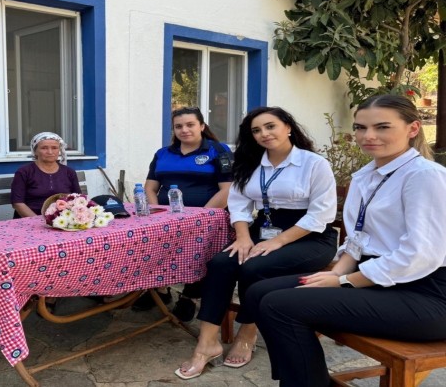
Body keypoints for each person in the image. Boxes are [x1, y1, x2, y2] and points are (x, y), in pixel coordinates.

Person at [247, 95, 446, 387]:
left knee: (280, 306)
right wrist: (336, 272)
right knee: (258, 292)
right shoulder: (367, 175)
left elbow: (420, 255)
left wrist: (345, 281)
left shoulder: (425, 176)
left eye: (382, 127)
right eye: (361, 128)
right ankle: (302, 378)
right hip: (376, 280)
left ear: (413, 129)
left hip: (425, 295)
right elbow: (358, 238)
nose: (369, 136)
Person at [175, 106, 337, 380]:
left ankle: (247, 331)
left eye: (270, 126)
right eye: (257, 130)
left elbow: (322, 214)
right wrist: (243, 236)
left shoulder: (313, 163)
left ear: (288, 127)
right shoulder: (250, 162)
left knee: (253, 267)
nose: (264, 134)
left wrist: (279, 242)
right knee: (221, 263)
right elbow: (238, 204)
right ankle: (207, 343)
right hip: (261, 230)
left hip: (310, 236)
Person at [136, 106, 233, 320]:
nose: (184, 130)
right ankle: (160, 290)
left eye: (190, 124)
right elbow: (150, 188)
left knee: (198, 257)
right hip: (164, 218)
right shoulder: (162, 154)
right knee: (158, 252)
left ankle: (190, 297)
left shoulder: (218, 150)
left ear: (202, 126)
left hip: (206, 219)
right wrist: (154, 213)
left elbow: (228, 189)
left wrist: (200, 218)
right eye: (178, 126)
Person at [10, 132, 81, 218]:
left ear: (59, 150)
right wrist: (37, 220)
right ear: (35, 151)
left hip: (62, 220)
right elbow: (17, 203)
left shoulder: (69, 172)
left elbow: (78, 199)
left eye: (54, 148)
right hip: (30, 220)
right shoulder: (24, 172)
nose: (50, 152)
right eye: (44, 148)